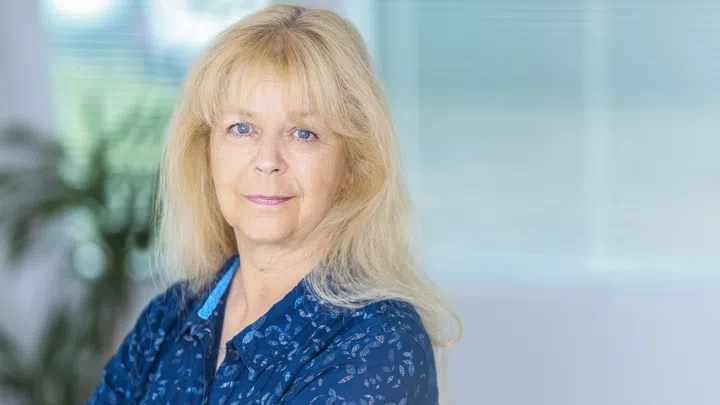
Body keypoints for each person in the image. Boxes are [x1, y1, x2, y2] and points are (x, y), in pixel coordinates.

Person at [86, 4, 461, 405]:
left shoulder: (380, 346)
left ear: (353, 166)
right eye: (241, 128)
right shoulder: (168, 320)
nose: (267, 160)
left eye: (303, 133)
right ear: (206, 153)